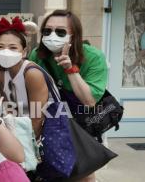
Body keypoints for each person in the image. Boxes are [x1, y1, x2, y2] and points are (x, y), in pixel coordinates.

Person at [28, 10, 108, 182]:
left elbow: (89, 101)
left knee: (81, 172)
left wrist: (70, 69)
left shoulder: (93, 57)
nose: (52, 35)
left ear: (74, 36)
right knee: (52, 170)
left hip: (81, 121)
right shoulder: (37, 55)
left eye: (60, 32)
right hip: (51, 120)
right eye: (47, 31)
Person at [0, 17, 49, 138]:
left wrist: (29, 144)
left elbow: (37, 117)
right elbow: (9, 108)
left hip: (42, 132)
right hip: (18, 130)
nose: (5, 51)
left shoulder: (32, 74)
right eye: (0, 47)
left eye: (13, 47)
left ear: (24, 52)